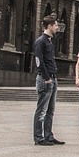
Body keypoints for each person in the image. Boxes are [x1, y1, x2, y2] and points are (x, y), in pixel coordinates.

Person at [32, 15, 63, 146]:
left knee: (50, 110)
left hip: (52, 78)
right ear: (49, 26)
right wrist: (47, 78)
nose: (57, 27)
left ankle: (48, 135)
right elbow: (39, 61)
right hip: (46, 79)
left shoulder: (49, 41)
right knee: (42, 110)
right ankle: (39, 137)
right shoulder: (41, 41)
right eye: (55, 25)